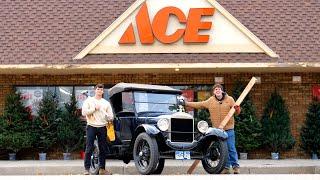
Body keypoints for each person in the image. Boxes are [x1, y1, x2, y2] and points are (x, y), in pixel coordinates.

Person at [185, 84, 241, 174]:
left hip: (229, 129)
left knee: (231, 148)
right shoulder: (211, 100)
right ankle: (226, 168)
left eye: (219, 89)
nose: (217, 90)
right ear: (214, 92)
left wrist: (238, 109)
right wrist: (187, 103)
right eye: (215, 89)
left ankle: (236, 167)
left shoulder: (229, 99)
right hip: (218, 131)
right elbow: (200, 104)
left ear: (222, 91)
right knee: (223, 150)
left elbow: (237, 112)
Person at [82, 84, 114, 175]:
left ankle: (102, 169)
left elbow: (111, 116)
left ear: (103, 91)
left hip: (102, 127)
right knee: (89, 147)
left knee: (103, 148)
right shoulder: (89, 101)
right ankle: (87, 169)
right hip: (91, 126)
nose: (99, 91)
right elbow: (84, 112)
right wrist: (94, 108)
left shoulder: (106, 103)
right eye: (98, 89)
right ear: (95, 90)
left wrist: (107, 116)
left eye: (101, 89)